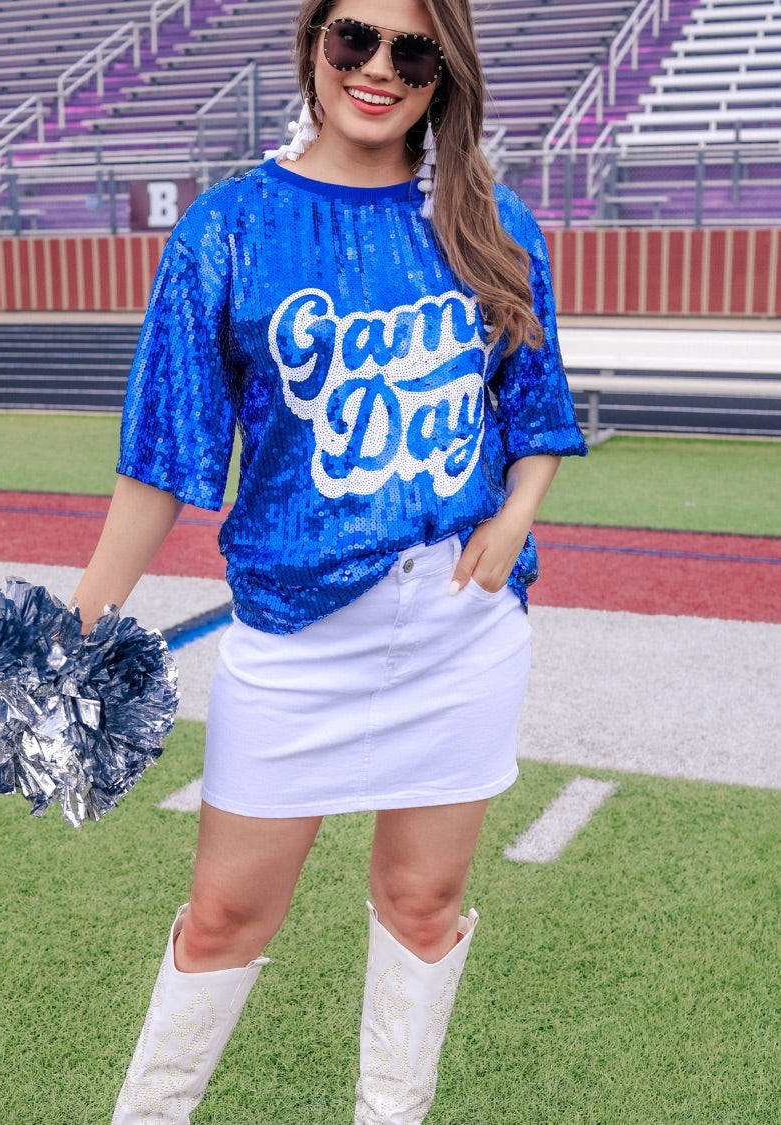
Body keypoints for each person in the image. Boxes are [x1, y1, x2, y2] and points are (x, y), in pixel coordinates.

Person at [72, 0, 586, 1120]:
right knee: (224, 916)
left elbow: (537, 410)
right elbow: (166, 454)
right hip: (297, 638)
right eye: (355, 37)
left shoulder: (489, 219)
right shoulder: (230, 226)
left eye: (412, 48)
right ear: (314, 43)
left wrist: (512, 522)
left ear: (443, 70)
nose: (379, 68)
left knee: (425, 901)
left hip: (461, 629)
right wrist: (85, 622)